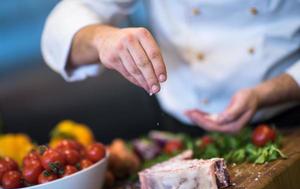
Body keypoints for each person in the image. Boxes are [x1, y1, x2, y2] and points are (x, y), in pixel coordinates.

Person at [42, 0, 300, 134]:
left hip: (290, 119)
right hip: (184, 127)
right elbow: (62, 23)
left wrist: (269, 92)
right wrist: (101, 38)